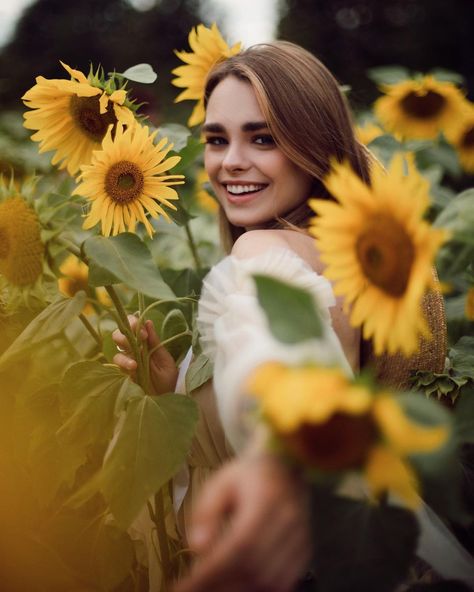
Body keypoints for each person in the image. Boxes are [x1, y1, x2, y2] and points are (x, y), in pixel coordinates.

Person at [113, 41, 448, 592]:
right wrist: (180, 390)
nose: (230, 162)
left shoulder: (266, 252)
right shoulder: (344, 256)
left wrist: (272, 465)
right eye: (217, 139)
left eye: (262, 138)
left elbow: (277, 366)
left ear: (313, 145)